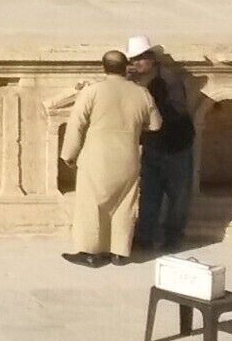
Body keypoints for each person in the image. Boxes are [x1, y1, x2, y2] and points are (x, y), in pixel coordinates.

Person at [61, 49, 160, 267]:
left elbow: (76, 124)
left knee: (92, 204)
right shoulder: (141, 92)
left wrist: (69, 154)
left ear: (103, 67)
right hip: (129, 155)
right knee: (125, 204)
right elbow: (156, 124)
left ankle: (90, 252)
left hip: (97, 156)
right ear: (126, 66)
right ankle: (119, 252)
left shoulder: (93, 91)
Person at [129, 36, 197, 254]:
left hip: (176, 146)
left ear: (151, 58)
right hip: (153, 146)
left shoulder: (169, 80)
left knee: (178, 196)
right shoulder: (136, 82)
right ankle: (145, 237)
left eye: (140, 59)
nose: (137, 63)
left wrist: (155, 105)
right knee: (149, 193)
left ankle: (173, 238)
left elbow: (179, 112)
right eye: (134, 60)